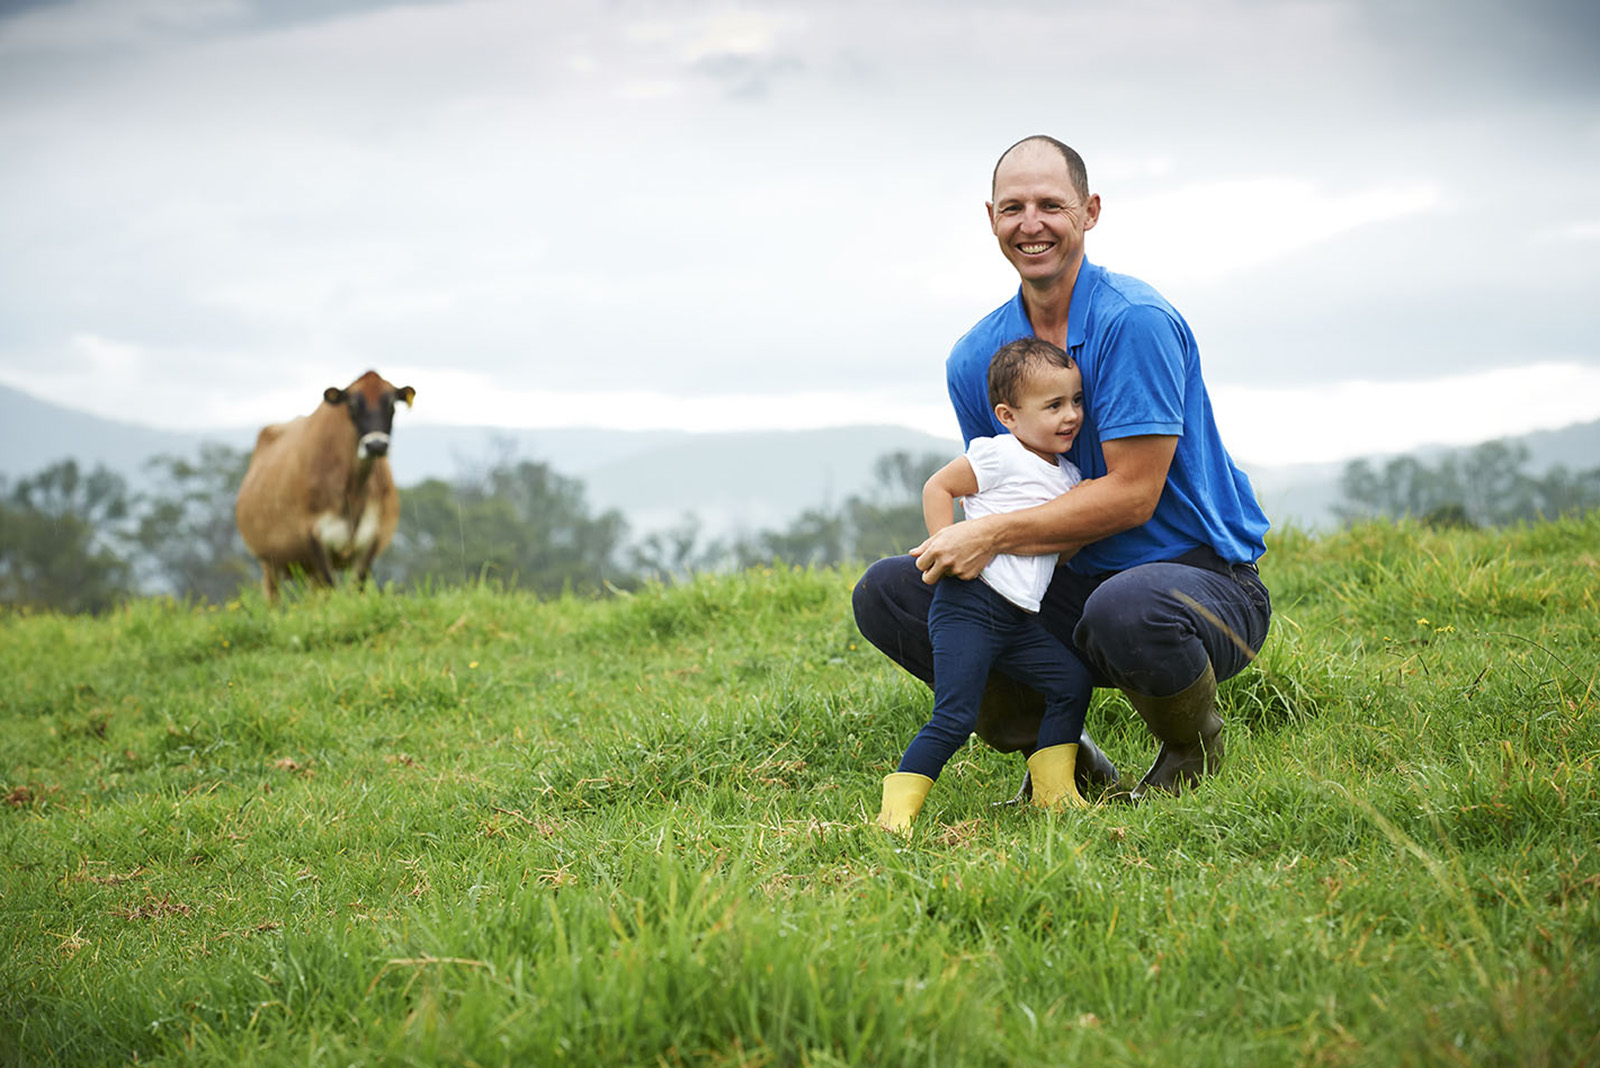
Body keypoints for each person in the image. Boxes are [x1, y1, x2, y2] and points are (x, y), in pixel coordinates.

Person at [854, 134, 1272, 804]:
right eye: (1013, 207)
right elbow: (999, 490)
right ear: (990, 218)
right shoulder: (976, 358)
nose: (1031, 224)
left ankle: (1191, 754)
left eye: (1051, 205)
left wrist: (988, 538)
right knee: (891, 589)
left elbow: (1134, 496)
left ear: (1090, 212)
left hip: (1201, 585)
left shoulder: (1133, 322)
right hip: (1058, 584)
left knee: (1125, 606)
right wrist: (964, 545)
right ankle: (1063, 758)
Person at [878, 337, 1097, 832]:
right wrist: (945, 544)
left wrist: (1081, 520)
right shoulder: (1001, 455)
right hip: (970, 605)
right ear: (1008, 416)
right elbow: (939, 486)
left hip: (1018, 618)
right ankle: (895, 818)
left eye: (1076, 402)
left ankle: (1054, 794)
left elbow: (1058, 553)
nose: (1070, 416)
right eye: (1054, 405)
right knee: (954, 717)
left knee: (1071, 682)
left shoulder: (1068, 476)